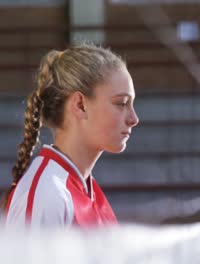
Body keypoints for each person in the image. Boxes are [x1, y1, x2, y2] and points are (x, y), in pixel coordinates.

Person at [1, 44, 139, 227]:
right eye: (121, 103)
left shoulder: (84, 188)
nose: (134, 118)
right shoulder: (48, 193)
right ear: (80, 105)